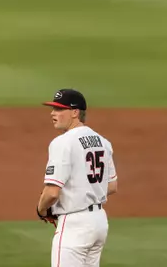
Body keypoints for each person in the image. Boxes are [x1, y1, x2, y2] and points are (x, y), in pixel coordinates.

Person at [36, 88, 118, 267]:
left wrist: (41, 210)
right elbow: (111, 186)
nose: (53, 113)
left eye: (59, 109)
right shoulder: (103, 142)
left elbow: (51, 193)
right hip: (99, 223)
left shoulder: (63, 143)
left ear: (75, 112)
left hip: (75, 225)